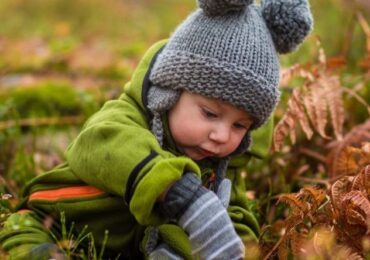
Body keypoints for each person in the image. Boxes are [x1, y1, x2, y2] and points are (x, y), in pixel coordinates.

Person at [0, 0, 313, 259]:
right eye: (209, 113)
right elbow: (97, 145)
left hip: (125, 250)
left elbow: (234, 217)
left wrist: (232, 245)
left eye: (239, 125)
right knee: (33, 249)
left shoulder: (220, 166)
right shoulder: (125, 119)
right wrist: (177, 191)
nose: (221, 135)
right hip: (50, 222)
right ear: (169, 92)